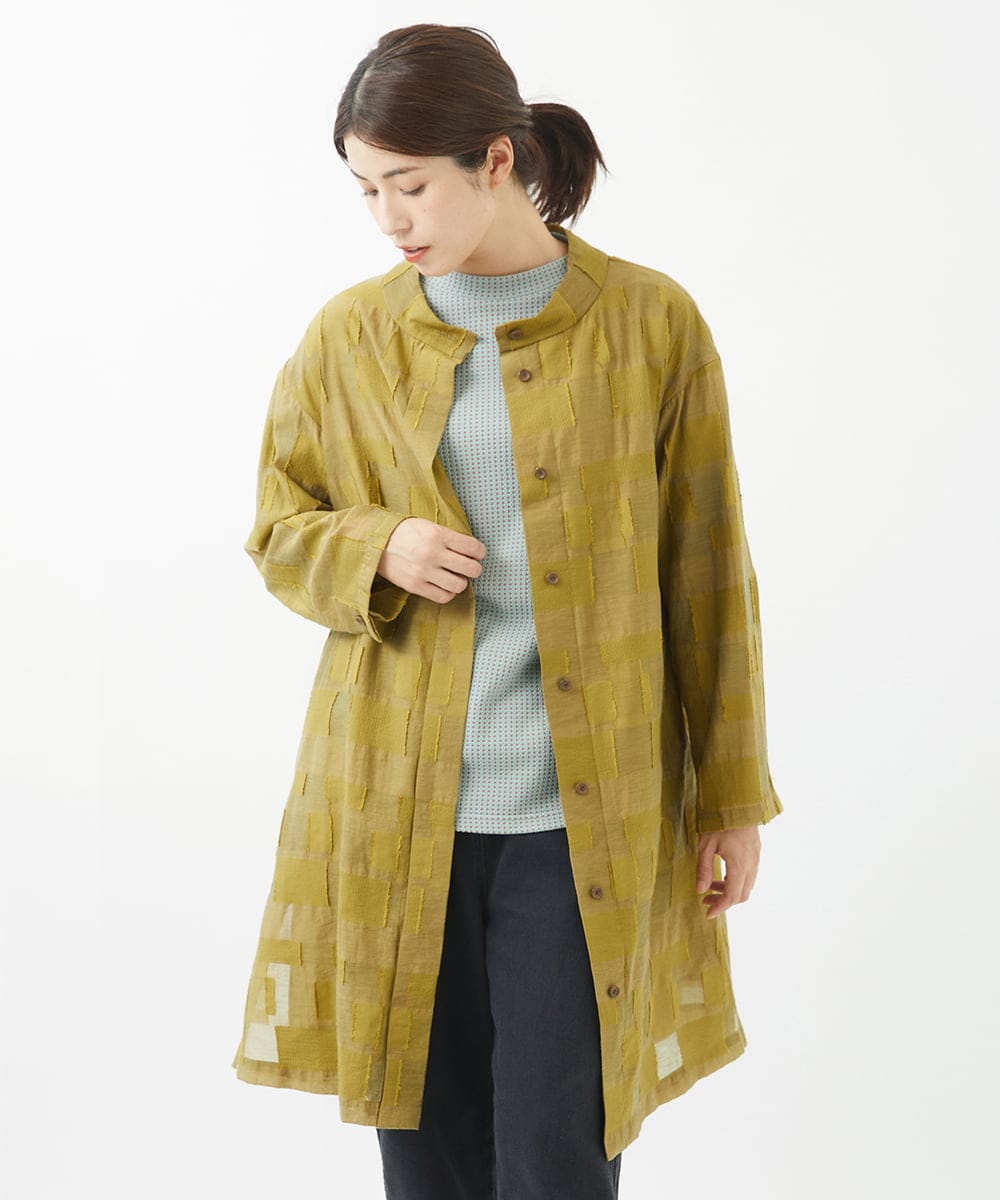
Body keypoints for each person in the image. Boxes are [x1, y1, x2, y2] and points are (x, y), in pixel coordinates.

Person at [231, 22, 784, 1200]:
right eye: (365, 189)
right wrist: (378, 546)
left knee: (555, 1153)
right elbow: (278, 529)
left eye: (409, 184)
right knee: (425, 1154)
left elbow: (708, 571)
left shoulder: (650, 324)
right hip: (393, 805)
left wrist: (731, 797)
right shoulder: (352, 335)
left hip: (582, 821)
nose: (388, 218)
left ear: (494, 159)